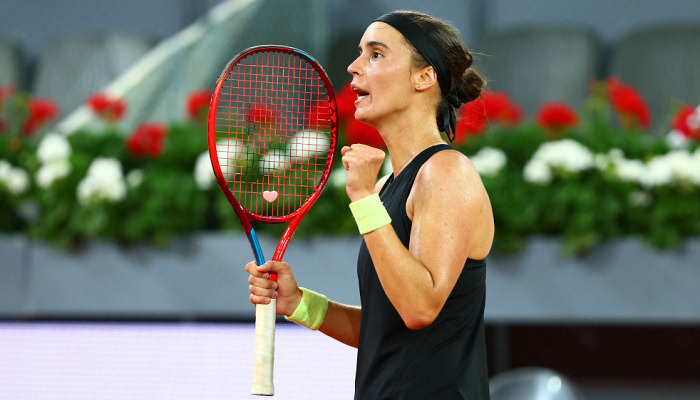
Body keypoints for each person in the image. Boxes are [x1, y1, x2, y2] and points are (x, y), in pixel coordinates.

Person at [246, 10, 494, 400]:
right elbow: (385, 330)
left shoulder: (447, 172)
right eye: (361, 52)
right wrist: (299, 303)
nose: (354, 66)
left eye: (376, 54)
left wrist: (363, 198)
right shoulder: (387, 187)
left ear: (423, 77)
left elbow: (419, 308)